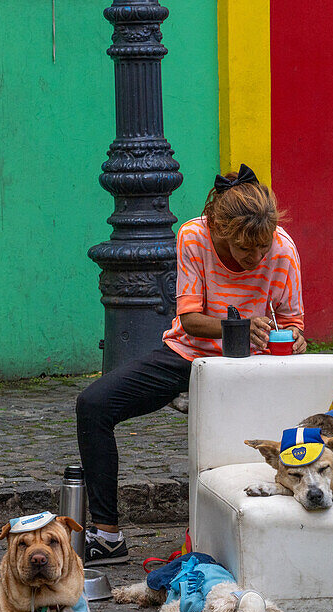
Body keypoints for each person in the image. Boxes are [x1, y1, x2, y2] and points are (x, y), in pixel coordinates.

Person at [76, 164, 306, 565]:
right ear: (221, 230)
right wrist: (236, 325)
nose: (255, 257)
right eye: (244, 249)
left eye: (262, 247)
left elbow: (292, 324)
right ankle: (107, 534)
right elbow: (190, 319)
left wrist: (296, 337)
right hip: (187, 354)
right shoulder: (194, 236)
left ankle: (278, 524)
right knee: (93, 405)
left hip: (251, 367)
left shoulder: (282, 248)